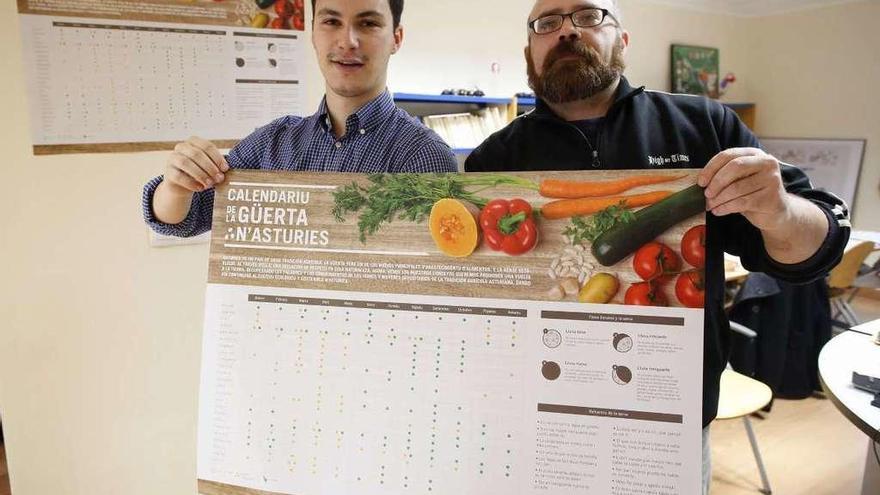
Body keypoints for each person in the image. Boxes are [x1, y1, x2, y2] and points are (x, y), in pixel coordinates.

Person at [465, 0, 850, 492]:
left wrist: (779, 211)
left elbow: (811, 250)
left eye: (587, 16)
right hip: (537, 413)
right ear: (529, 52)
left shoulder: (704, 126)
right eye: (547, 22)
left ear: (622, 41)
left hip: (668, 419)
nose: (565, 31)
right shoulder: (493, 160)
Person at [143, 0, 456, 237]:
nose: (347, 40)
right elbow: (188, 217)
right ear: (313, 34)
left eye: (368, 23)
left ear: (396, 38)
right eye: (332, 21)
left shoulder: (424, 156)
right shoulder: (272, 142)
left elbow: (429, 279)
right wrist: (176, 186)